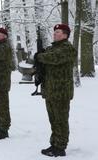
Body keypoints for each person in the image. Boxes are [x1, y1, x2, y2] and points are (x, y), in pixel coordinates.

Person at [36, 24, 76, 157]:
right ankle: (54, 143)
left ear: (65, 34)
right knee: (53, 120)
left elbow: (53, 58)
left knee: (61, 120)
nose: (54, 34)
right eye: (54, 31)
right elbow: (43, 57)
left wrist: (40, 56)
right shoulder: (52, 48)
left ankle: (60, 147)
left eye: (58, 32)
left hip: (61, 91)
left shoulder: (67, 48)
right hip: (50, 90)